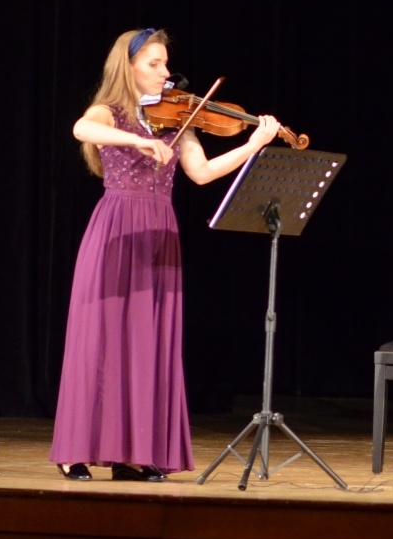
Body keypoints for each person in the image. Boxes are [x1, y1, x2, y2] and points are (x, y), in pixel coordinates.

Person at [49, 29, 281, 481]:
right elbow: (82, 128)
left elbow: (202, 172)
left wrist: (253, 144)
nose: (165, 72)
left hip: (160, 231)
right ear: (129, 66)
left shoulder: (178, 118)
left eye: (165, 64)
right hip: (117, 226)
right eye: (154, 63)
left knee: (147, 343)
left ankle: (130, 453)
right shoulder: (110, 110)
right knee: (101, 338)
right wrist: (137, 141)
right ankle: (75, 450)